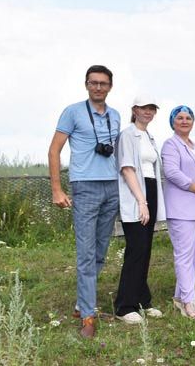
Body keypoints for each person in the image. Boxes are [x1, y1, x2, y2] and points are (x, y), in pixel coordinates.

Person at [49, 65, 122, 338]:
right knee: (86, 252)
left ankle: (83, 303)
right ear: (86, 85)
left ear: (110, 87)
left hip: (111, 187)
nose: (98, 87)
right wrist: (57, 189)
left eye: (103, 83)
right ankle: (89, 317)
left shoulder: (114, 116)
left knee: (101, 251)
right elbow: (54, 150)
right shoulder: (73, 112)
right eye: (94, 83)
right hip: (84, 186)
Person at [113, 95, 166, 325]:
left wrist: (149, 199)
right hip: (136, 193)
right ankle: (125, 306)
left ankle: (142, 300)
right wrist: (141, 201)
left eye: (152, 108)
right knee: (136, 248)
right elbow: (127, 169)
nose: (148, 112)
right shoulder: (128, 134)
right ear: (134, 109)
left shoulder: (149, 136)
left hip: (151, 189)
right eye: (144, 108)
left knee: (145, 249)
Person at [162, 105, 195, 320]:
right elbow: (172, 172)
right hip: (181, 208)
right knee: (184, 256)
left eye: (188, 118)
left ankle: (179, 296)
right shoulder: (170, 144)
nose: (184, 121)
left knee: (194, 257)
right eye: (180, 118)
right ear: (173, 122)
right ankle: (189, 302)